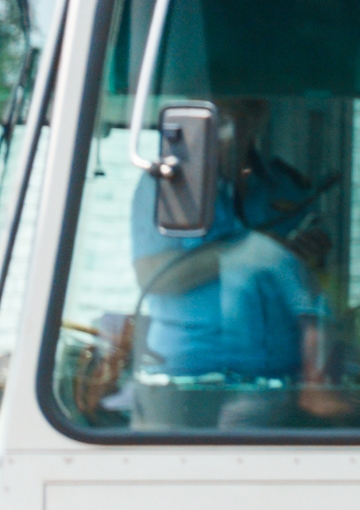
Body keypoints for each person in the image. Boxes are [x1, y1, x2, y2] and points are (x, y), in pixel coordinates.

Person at [100, 114, 343, 429]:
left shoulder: (287, 186)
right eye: (221, 113)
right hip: (182, 379)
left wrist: (306, 257)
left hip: (279, 385)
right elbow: (153, 278)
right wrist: (246, 253)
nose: (231, 125)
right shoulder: (168, 181)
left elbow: (316, 291)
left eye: (243, 108)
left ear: (259, 108)